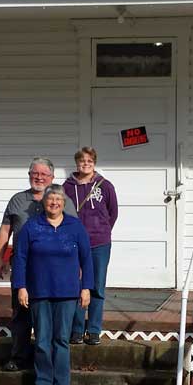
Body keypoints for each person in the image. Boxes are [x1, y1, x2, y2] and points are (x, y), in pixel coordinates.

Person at [0, 157, 77, 372]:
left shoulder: (61, 200)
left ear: (52, 177)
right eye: (35, 173)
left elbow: (75, 233)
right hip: (23, 265)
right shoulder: (17, 200)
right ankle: (19, 356)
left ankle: (48, 360)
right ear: (29, 175)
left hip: (52, 270)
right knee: (21, 312)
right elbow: (5, 230)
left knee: (49, 315)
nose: (39, 178)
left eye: (44, 174)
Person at [12, 184, 93, 385]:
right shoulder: (31, 226)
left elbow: (87, 258)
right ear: (44, 202)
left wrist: (86, 287)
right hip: (39, 293)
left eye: (58, 199)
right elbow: (20, 258)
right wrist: (21, 286)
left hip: (67, 293)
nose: (54, 203)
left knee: (61, 341)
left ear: (64, 203)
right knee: (41, 340)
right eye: (50, 199)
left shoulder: (75, 226)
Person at [63, 146, 118, 346]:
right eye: (82, 161)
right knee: (77, 285)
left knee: (96, 287)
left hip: (100, 243)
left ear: (94, 163)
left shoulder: (105, 186)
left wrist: (101, 231)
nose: (85, 164)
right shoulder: (67, 187)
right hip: (75, 244)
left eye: (89, 161)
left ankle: (94, 330)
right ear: (77, 163)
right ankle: (76, 330)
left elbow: (113, 212)